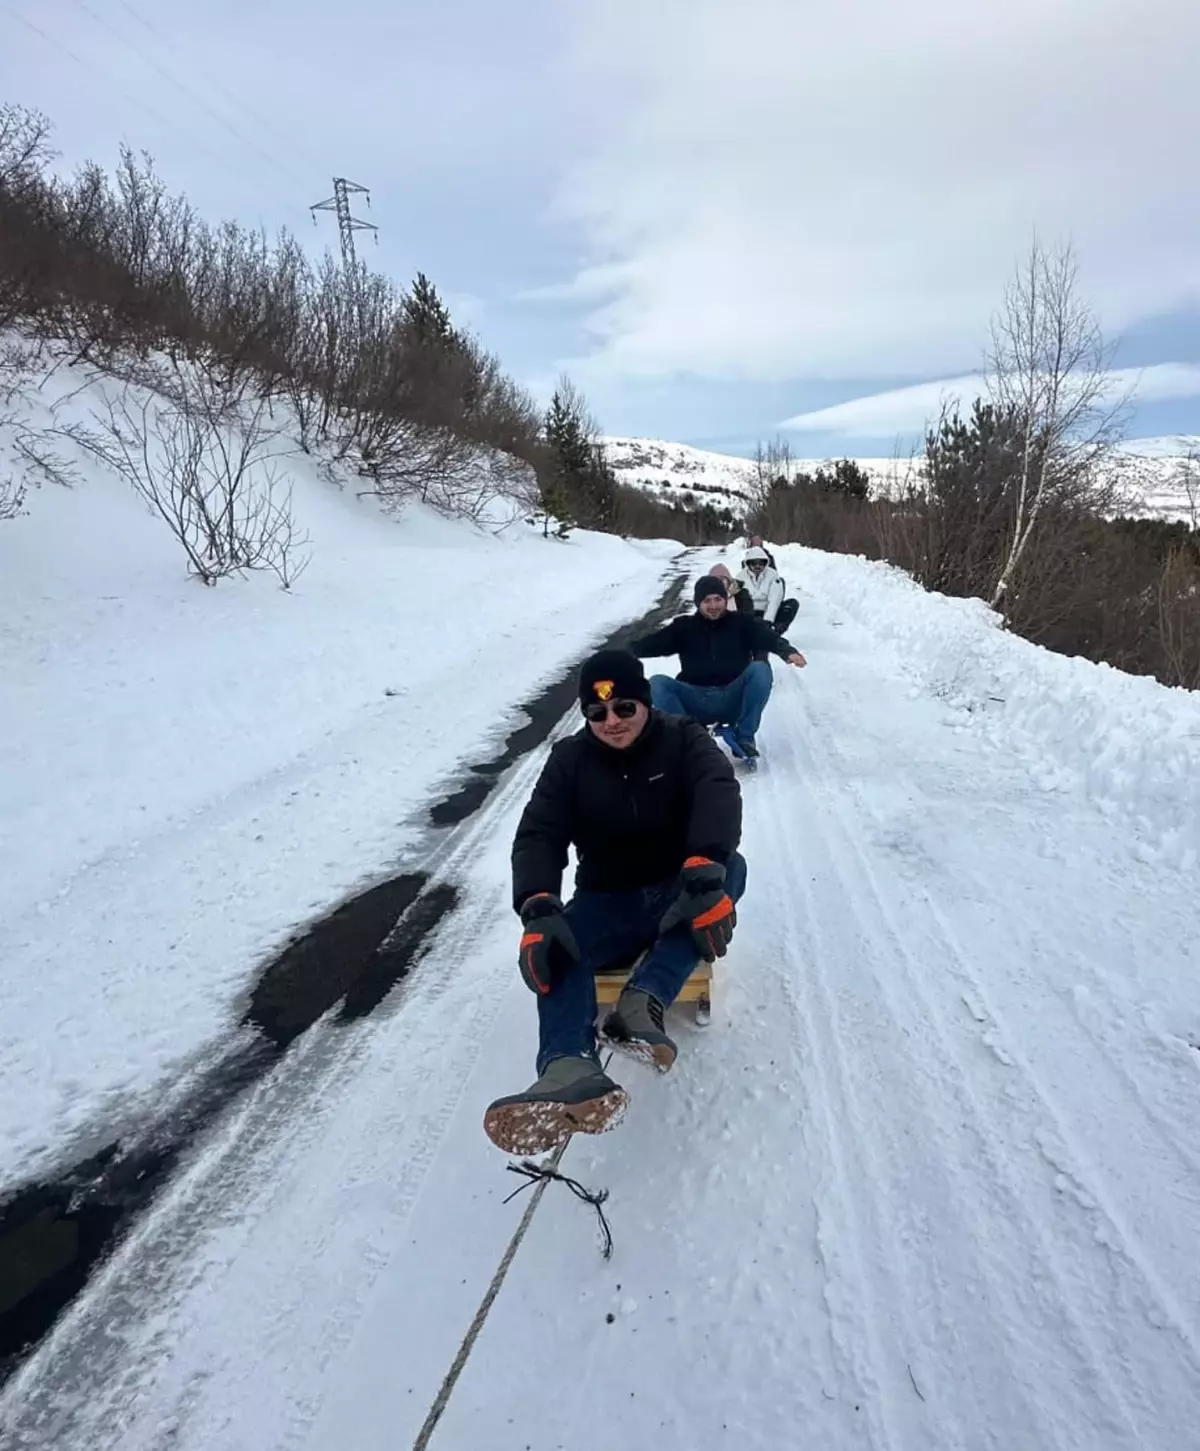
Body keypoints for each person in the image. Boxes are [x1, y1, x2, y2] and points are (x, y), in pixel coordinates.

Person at [483, 649, 747, 1156]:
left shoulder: (685, 739)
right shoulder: (569, 760)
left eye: (624, 707)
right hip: (608, 897)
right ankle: (566, 1066)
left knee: (733, 870)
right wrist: (537, 906)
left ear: (644, 703)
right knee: (559, 943)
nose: (611, 721)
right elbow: (538, 833)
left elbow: (719, 789)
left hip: (679, 889)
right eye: (597, 713)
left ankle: (642, 1002)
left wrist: (706, 868)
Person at [631, 574, 806, 759]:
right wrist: (625, 652)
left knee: (760, 669)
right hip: (695, 700)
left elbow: (767, 637)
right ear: (698, 603)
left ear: (725, 599)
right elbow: (653, 643)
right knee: (657, 683)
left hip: (732, 698)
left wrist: (787, 651)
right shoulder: (684, 627)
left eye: (718, 599)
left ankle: (745, 738)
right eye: (707, 600)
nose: (713, 605)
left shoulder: (741, 622)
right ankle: (689, 738)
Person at [736, 545, 799, 636]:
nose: (758, 566)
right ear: (748, 563)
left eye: (761, 563)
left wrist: (767, 622)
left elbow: (774, 600)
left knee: (792, 604)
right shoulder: (740, 576)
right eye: (754, 563)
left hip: (768, 611)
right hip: (749, 613)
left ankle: (774, 633)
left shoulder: (773, 575)